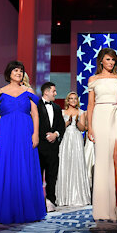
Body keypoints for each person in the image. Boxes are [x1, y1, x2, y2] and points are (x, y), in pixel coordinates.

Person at [0, 60, 46, 224]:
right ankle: (1, 209)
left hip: (24, 133)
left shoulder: (28, 91)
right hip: (4, 133)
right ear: (9, 74)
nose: (19, 73)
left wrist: (36, 134)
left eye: (21, 71)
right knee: (3, 167)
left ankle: (25, 208)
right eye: (15, 70)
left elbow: (35, 114)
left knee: (24, 167)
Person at [87, 48, 117, 221]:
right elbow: (90, 105)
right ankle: (102, 207)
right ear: (101, 61)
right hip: (99, 115)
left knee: (116, 157)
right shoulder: (93, 80)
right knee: (102, 159)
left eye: (113, 60)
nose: (111, 63)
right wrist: (90, 127)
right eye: (108, 59)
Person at [55, 91, 91, 206]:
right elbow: (60, 128)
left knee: (76, 163)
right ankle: (64, 197)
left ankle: (77, 196)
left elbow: (83, 128)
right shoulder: (62, 112)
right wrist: (67, 122)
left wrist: (76, 122)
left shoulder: (82, 112)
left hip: (76, 139)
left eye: (75, 98)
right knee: (64, 164)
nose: (73, 100)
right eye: (71, 98)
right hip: (65, 139)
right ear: (68, 100)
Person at [37, 82, 66, 212]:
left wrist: (55, 134)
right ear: (46, 92)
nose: (55, 93)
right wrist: (45, 136)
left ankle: (51, 201)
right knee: (37, 175)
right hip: (39, 147)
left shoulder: (57, 108)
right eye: (53, 91)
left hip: (53, 148)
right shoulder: (35, 106)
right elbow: (33, 125)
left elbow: (61, 126)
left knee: (52, 176)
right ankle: (37, 202)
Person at [83, 110, 95, 190]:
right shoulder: (85, 113)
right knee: (87, 161)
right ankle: (87, 186)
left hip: (101, 140)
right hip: (90, 140)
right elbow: (83, 127)